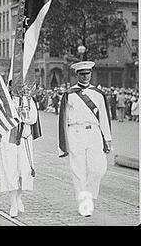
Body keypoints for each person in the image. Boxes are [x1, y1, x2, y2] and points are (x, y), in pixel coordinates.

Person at [59, 61, 112, 217]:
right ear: (77, 75)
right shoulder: (70, 94)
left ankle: (87, 194)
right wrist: (64, 143)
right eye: (82, 74)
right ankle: (85, 204)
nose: (85, 76)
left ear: (91, 74)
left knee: (98, 169)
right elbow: (63, 119)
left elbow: (104, 118)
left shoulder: (98, 94)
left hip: (94, 133)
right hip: (75, 132)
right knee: (78, 171)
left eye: (87, 74)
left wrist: (107, 138)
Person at [0, 88, 42, 218]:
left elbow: (33, 119)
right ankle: (12, 203)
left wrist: (23, 116)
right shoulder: (4, 101)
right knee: (11, 171)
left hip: (24, 139)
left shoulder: (28, 100)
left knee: (25, 171)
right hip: (9, 139)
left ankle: (19, 197)